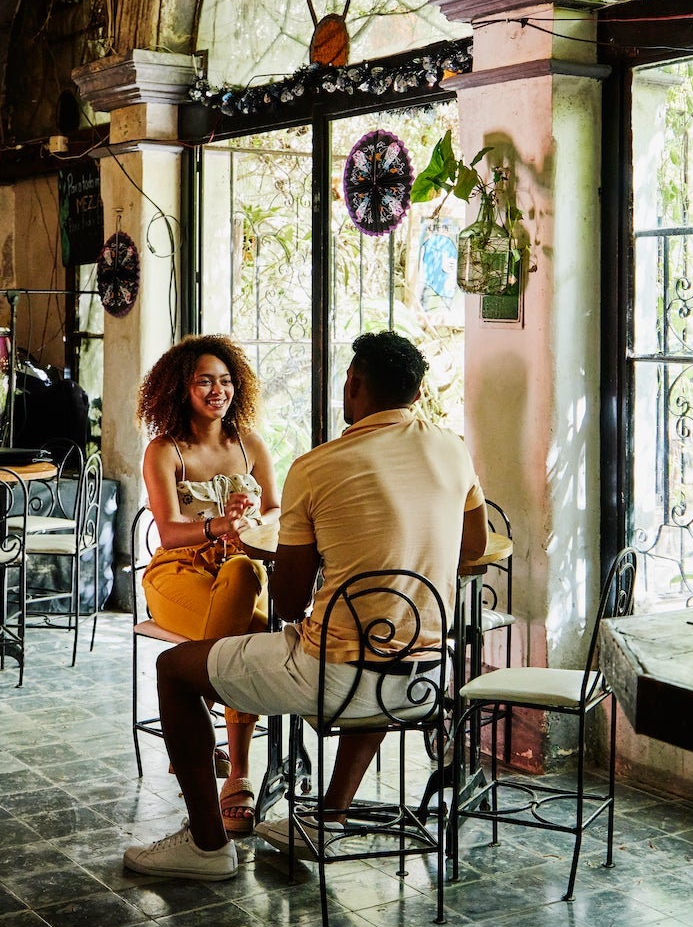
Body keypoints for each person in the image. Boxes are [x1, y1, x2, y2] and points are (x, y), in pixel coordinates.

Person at [123, 330, 488, 881]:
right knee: (380, 640)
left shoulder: (317, 466)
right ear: (416, 393)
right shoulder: (454, 449)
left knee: (174, 669)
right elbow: (475, 549)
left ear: (354, 385)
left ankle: (205, 845)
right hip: (422, 678)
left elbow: (290, 602)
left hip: (330, 678)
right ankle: (327, 817)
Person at [136, 334, 281, 834]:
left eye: (225, 381)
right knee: (252, 638)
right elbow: (170, 530)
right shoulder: (165, 450)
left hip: (236, 573)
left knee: (246, 575)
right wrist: (220, 523)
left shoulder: (250, 444)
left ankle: (196, 717)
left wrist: (254, 516)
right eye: (205, 381)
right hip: (178, 573)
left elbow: (278, 511)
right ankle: (236, 774)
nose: (218, 390)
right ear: (182, 389)